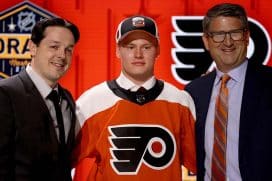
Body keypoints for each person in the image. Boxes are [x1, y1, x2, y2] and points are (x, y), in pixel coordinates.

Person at [72, 15, 196, 180]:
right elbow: (56, 162)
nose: (138, 54)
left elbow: (203, 164)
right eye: (130, 47)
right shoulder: (92, 102)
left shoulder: (181, 101)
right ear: (117, 50)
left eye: (146, 47)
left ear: (158, 50)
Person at [185, 3, 272, 181]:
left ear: (247, 37)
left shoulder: (270, 84)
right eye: (218, 35)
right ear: (206, 41)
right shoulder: (194, 91)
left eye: (235, 33)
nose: (228, 42)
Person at [0, 17, 80, 180]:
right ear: (32, 48)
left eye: (68, 49)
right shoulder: (5, 94)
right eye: (54, 47)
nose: (62, 56)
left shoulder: (67, 99)